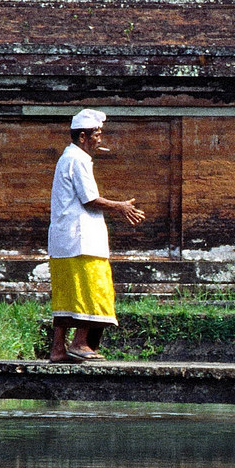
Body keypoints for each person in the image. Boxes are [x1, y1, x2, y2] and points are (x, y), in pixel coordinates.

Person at [48, 110, 144, 361]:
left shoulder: (67, 158)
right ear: (83, 137)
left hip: (65, 240)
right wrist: (121, 207)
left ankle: (58, 349)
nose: (100, 139)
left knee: (67, 294)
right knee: (93, 290)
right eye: (97, 134)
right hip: (81, 241)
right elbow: (89, 199)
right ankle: (80, 343)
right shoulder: (77, 159)